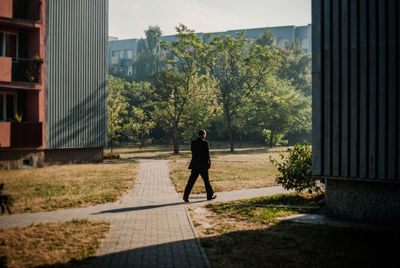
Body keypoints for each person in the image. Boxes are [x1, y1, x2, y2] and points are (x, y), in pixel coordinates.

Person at [183, 130, 216, 202]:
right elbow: (207, 154)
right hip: (203, 165)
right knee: (206, 181)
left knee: (191, 181)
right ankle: (209, 196)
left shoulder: (193, 143)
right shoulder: (205, 143)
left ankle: (185, 196)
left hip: (195, 164)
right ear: (204, 134)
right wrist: (209, 163)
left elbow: (193, 152)